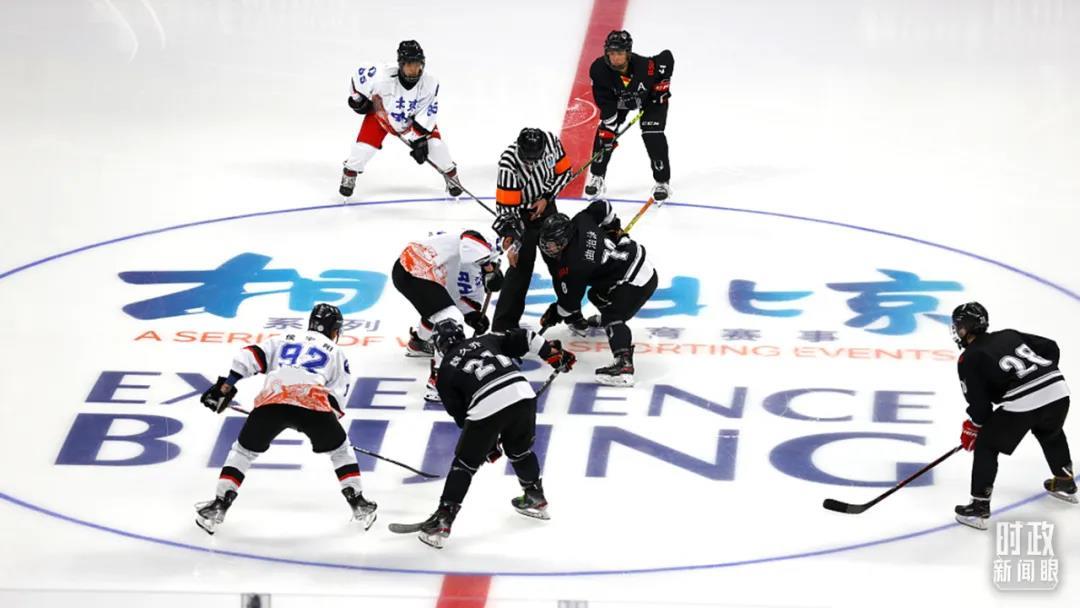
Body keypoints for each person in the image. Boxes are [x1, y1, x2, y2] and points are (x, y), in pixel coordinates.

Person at [194, 303, 378, 534]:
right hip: (313, 405)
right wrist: (325, 428)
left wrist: (226, 386)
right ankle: (358, 503)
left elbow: (248, 356)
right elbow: (336, 402)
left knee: (243, 452)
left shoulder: (284, 338)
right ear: (335, 330)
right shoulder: (337, 353)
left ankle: (219, 505)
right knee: (341, 451)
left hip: (272, 401)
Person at [407, 320, 576, 549]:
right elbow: (526, 336)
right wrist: (551, 353)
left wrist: (487, 444)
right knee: (520, 451)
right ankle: (535, 497)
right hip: (522, 394)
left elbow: (462, 416)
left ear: (439, 345)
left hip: (487, 405)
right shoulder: (486, 339)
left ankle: (443, 519)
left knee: (464, 465)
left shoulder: (445, 370)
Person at [950, 302, 1076, 530]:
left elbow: (980, 406)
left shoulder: (969, 357)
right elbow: (1050, 347)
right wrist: (1042, 377)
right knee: (1050, 431)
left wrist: (974, 426)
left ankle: (979, 507)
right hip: (1059, 392)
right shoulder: (1009, 334)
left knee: (986, 444)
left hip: (1026, 403)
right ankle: (1065, 482)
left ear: (964, 328)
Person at [537, 199, 657, 386]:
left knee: (612, 316)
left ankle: (623, 365)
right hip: (634, 264)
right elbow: (603, 206)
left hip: (637, 282)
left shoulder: (576, 264)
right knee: (595, 294)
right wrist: (614, 227)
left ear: (565, 239)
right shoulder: (581, 220)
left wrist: (556, 312)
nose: (548, 248)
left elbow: (569, 304)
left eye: (552, 244)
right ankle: (611, 324)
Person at [339, 40, 462, 198]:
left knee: (436, 147)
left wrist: (419, 141)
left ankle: (451, 176)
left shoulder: (430, 83)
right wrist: (357, 100)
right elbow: (357, 79)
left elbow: (428, 113)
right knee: (363, 149)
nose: (414, 69)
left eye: (417, 65)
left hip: (411, 121)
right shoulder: (381, 77)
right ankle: (350, 173)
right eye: (409, 65)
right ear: (401, 64)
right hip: (381, 116)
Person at [391, 229, 504, 400]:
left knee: (442, 312)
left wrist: (473, 316)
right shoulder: (485, 246)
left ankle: (419, 342)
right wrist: (488, 268)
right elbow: (468, 238)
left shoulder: (477, 277)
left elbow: (456, 299)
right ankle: (439, 383)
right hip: (414, 268)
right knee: (449, 320)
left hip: (420, 274)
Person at [490, 128, 573, 332]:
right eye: (527, 159)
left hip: (547, 208)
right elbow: (507, 208)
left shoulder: (552, 142)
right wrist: (513, 240)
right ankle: (503, 326)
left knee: (562, 262)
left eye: (535, 158)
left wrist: (546, 198)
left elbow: (565, 173)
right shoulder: (509, 163)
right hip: (521, 217)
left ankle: (571, 310)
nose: (531, 163)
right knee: (519, 269)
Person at [585, 30, 674, 202]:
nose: (615, 57)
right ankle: (597, 176)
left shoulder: (645, 66)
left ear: (628, 53)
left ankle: (662, 182)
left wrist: (662, 86)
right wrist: (610, 128)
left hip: (650, 100)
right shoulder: (599, 69)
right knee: (604, 134)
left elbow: (667, 58)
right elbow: (605, 101)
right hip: (620, 102)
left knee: (652, 134)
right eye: (611, 53)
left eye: (619, 53)